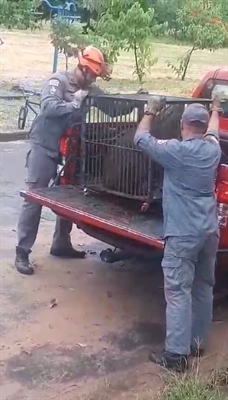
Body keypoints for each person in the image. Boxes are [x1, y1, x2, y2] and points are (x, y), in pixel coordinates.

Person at [15, 45, 134, 276]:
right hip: (45, 145)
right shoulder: (57, 82)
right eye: (91, 76)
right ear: (83, 69)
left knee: (69, 195)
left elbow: (111, 109)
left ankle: (61, 243)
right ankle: (22, 251)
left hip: (69, 148)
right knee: (35, 195)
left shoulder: (89, 89)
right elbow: (48, 107)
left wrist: (139, 101)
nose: (92, 81)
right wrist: (74, 104)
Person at [134, 96, 223, 373]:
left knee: (177, 291)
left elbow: (140, 138)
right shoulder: (213, 150)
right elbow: (215, 130)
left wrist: (150, 110)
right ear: (204, 125)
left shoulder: (175, 151)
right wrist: (216, 109)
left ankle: (176, 355)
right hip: (209, 231)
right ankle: (197, 343)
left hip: (183, 233)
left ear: (183, 125)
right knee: (203, 285)